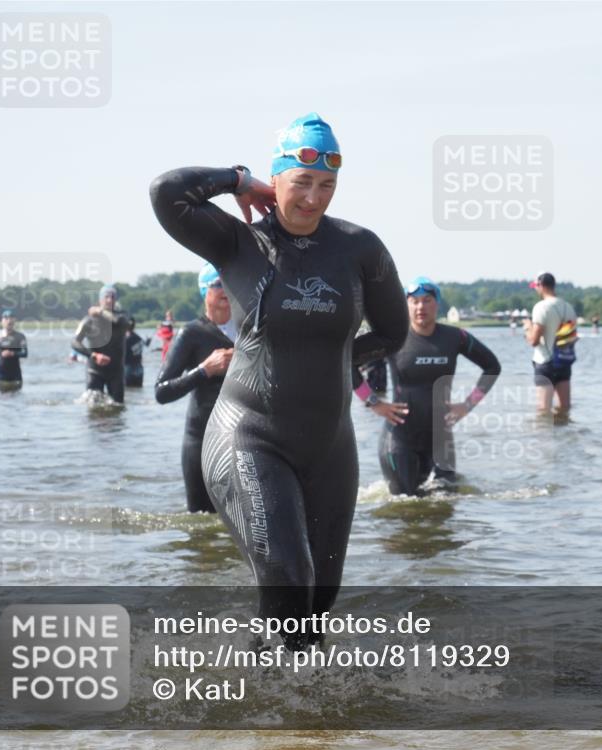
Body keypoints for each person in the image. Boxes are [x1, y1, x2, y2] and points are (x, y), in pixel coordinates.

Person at [149, 112, 408, 648]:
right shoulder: (238, 244)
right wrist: (237, 180)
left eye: (328, 185)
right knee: (289, 580)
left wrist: (338, 360)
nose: (314, 198)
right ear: (277, 180)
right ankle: (269, 701)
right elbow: (166, 193)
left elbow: (393, 331)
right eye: (302, 182)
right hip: (249, 436)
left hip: (329, 446)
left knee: (317, 604)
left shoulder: (361, 250)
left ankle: (297, 717)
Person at [355, 276, 501, 496]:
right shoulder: (393, 338)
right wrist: (373, 402)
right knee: (405, 505)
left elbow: (492, 367)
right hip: (399, 439)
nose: (420, 306)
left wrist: (468, 405)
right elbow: (348, 363)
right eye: (414, 301)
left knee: (446, 502)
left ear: (437, 303)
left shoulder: (455, 337)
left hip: (440, 440)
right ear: (406, 304)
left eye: (427, 300)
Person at [155, 263, 236, 513]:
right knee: (203, 525)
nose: (226, 289)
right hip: (202, 442)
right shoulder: (192, 333)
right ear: (205, 291)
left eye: (229, 282)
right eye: (218, 284)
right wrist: (204, 370)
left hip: (245, 441)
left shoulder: (249, 329)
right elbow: (162, 391)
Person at [523, 271, 577, 418]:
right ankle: (564, 438)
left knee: (543, 411)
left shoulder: (541, 307)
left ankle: (545, 440)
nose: (535, 289)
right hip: (564, 361)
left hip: (545, 362)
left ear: (541, 286)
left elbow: (534, 341)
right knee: (564, 408)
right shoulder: (568, 307)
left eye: (536, 286)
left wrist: (528, 327)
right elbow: (572, 337)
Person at [71, 284, 130, 404]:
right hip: (95, 371)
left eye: (113, 297)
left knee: (118, 407)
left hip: (116, 372)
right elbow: (74, 342)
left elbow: (116, 321)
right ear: (100, 300)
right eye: (106, 297)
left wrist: (100, 310)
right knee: (94, 409)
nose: (109, 300)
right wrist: (94, 355)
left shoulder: (123, 317)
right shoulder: (88, 320)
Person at [124, 317, 150, 387]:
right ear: (134, 326)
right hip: (139, 368)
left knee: (128, 392)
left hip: (127, 369)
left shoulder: (124, 339)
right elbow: (146, 345)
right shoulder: (138, 338)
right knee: (138, 389)